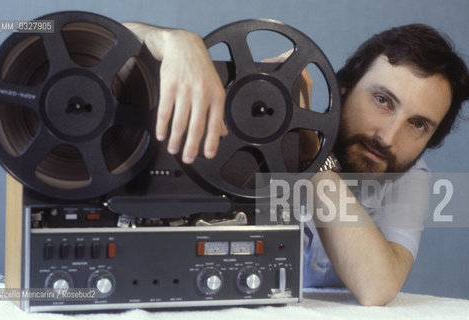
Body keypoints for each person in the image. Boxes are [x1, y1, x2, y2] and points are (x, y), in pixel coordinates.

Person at [123, 22, 469, 305]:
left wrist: (312, 159)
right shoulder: (254, 127)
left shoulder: (409, 174)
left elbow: (377, 287)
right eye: (382, 100)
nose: (389, 137)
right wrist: (174, 41)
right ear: (343, 87)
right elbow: (86, 45)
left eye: (418, 124)